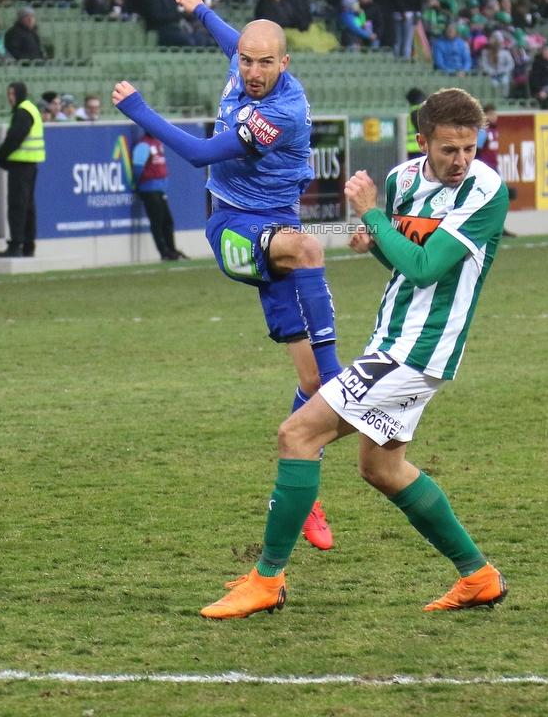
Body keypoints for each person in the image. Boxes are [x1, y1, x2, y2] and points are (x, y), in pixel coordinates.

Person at [199, 88, 509, 620]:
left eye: (469, 149)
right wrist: (378, 242)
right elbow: (402, 261)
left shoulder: (485, 190)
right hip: (393, 341)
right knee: (383, 469)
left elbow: (427, 268)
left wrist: (374, 220)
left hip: (417, 350)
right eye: (449, 150)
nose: (461, 161)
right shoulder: (402, 181)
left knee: (297, 433)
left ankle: (266, 579)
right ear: (423, 141)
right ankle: (478, 576)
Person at [113, 0, 348, 550]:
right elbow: (231, 39)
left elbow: (198, 154)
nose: (252, 70)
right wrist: (201, 10)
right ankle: (344, 379)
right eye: (246, 60)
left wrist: (141, 110)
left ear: (285, 64)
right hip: (235, 231)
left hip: (273, 229)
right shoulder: (243, 66)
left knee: (311, 386)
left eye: (266, 62)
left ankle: (306, 473)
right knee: (311, 251)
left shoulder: (279, 113)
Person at [0, 82, 45, 258]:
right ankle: (28, 245)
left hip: (20, 165)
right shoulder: (30, 109)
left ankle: (16, 244)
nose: (10, 97)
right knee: (28, 207)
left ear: (20, 94)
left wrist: (1, 156)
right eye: (8, 94)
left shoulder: (23, 112)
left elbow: (14, 138)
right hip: (30, 165)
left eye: (12, 94)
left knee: (17, 206)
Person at [132, 132, 188, 261]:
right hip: (149, 188)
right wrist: (138, 185)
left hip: (160, 189)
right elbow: (137, 168)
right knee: (157, 221)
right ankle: (165, 253)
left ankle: (172, 250)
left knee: (167, 221)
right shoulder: (143, 146)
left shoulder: (157, 143)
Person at [405, 86, 426, 159]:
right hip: (418, 149)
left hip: (413, 149)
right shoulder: (417, 112)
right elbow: (423, 129)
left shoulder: (412, 111)